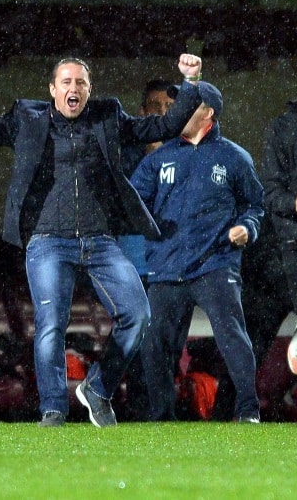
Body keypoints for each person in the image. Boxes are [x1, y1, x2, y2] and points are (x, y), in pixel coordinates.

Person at [0, 44, 204, 427]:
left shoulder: (108, 116)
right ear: (52, 89)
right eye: (66, 82)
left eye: (80, 82)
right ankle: (53, 410)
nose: (73, 88)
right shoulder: (27, 118)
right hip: (48, 241)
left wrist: (191, 82)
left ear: (89, 90)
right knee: (51, 325)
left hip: (99, 241)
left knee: (138, 314)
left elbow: (162, 127)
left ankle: (98, 388)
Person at [131, 81, 263, 423]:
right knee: (155, 345)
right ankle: (162, 418)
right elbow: (132, 201)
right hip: (166, 266)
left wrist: (247, 227)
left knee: (232, 337)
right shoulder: (159, 158)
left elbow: (255, 206)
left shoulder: (234, 157)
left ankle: (247, 410)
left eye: (186, 105)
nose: (177, 112)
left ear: (208, 113)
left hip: (214, 264)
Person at [117, 79, 174, 421]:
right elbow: (126, 202)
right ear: (142, 112)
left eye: (170, 108)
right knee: (141, 339)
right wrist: (151, 155)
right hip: (136, 261)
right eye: (156, 107)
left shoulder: (187, 152)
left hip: (172, 263)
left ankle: (162, 414)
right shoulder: (126, 153)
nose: (163, 114)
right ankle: (139, 412)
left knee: (166, 342)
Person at [262, 99, 297, 377]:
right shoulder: (284, 127)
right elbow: (270, 194)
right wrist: (294, 203)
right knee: (253, 341)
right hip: (286, 251)